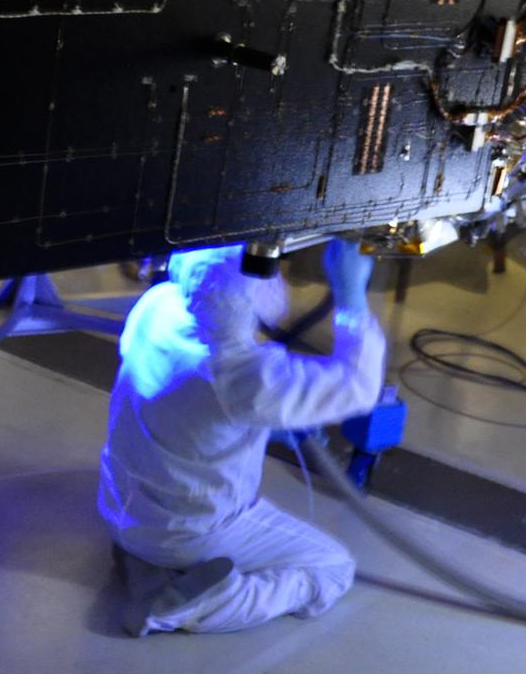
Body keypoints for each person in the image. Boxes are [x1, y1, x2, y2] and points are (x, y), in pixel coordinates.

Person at [98, 240, 384, 635]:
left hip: (122, 510)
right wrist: (351, 297)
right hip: (191, 534)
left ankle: (148, 564)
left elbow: (196, 410)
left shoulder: (157, 306)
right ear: (249, 296)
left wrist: (270, 424)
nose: (277, 277)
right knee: (332, 567)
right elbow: (358, 386)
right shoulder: (243, 376)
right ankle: (198, 608)